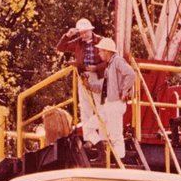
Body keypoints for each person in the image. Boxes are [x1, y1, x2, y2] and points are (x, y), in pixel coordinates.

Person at [56, 18, 104, 149]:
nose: (83, 35)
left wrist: (97, 68)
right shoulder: (78, 42)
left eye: (85, 32)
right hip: (83, 76)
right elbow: (60, 48)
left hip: (99, 76)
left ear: (91, 30)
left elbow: (109, 60)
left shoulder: (100, 41)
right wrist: (68, 35)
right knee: (85, 108)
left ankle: (103, 137)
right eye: (81, 33)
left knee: (101, 107)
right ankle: (92, 139)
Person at [95, 37, 135, 161]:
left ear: (107, 51)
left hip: (115, 103)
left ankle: (120, 159)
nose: (99, 53)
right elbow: (104, 87)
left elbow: (130, 73)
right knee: (103, 128)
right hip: (109, 103)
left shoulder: (117, 61)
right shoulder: (110, 66)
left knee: (115, 134)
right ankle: (108, 157)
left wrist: (124, 91)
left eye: (101, 51)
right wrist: (89, 86)